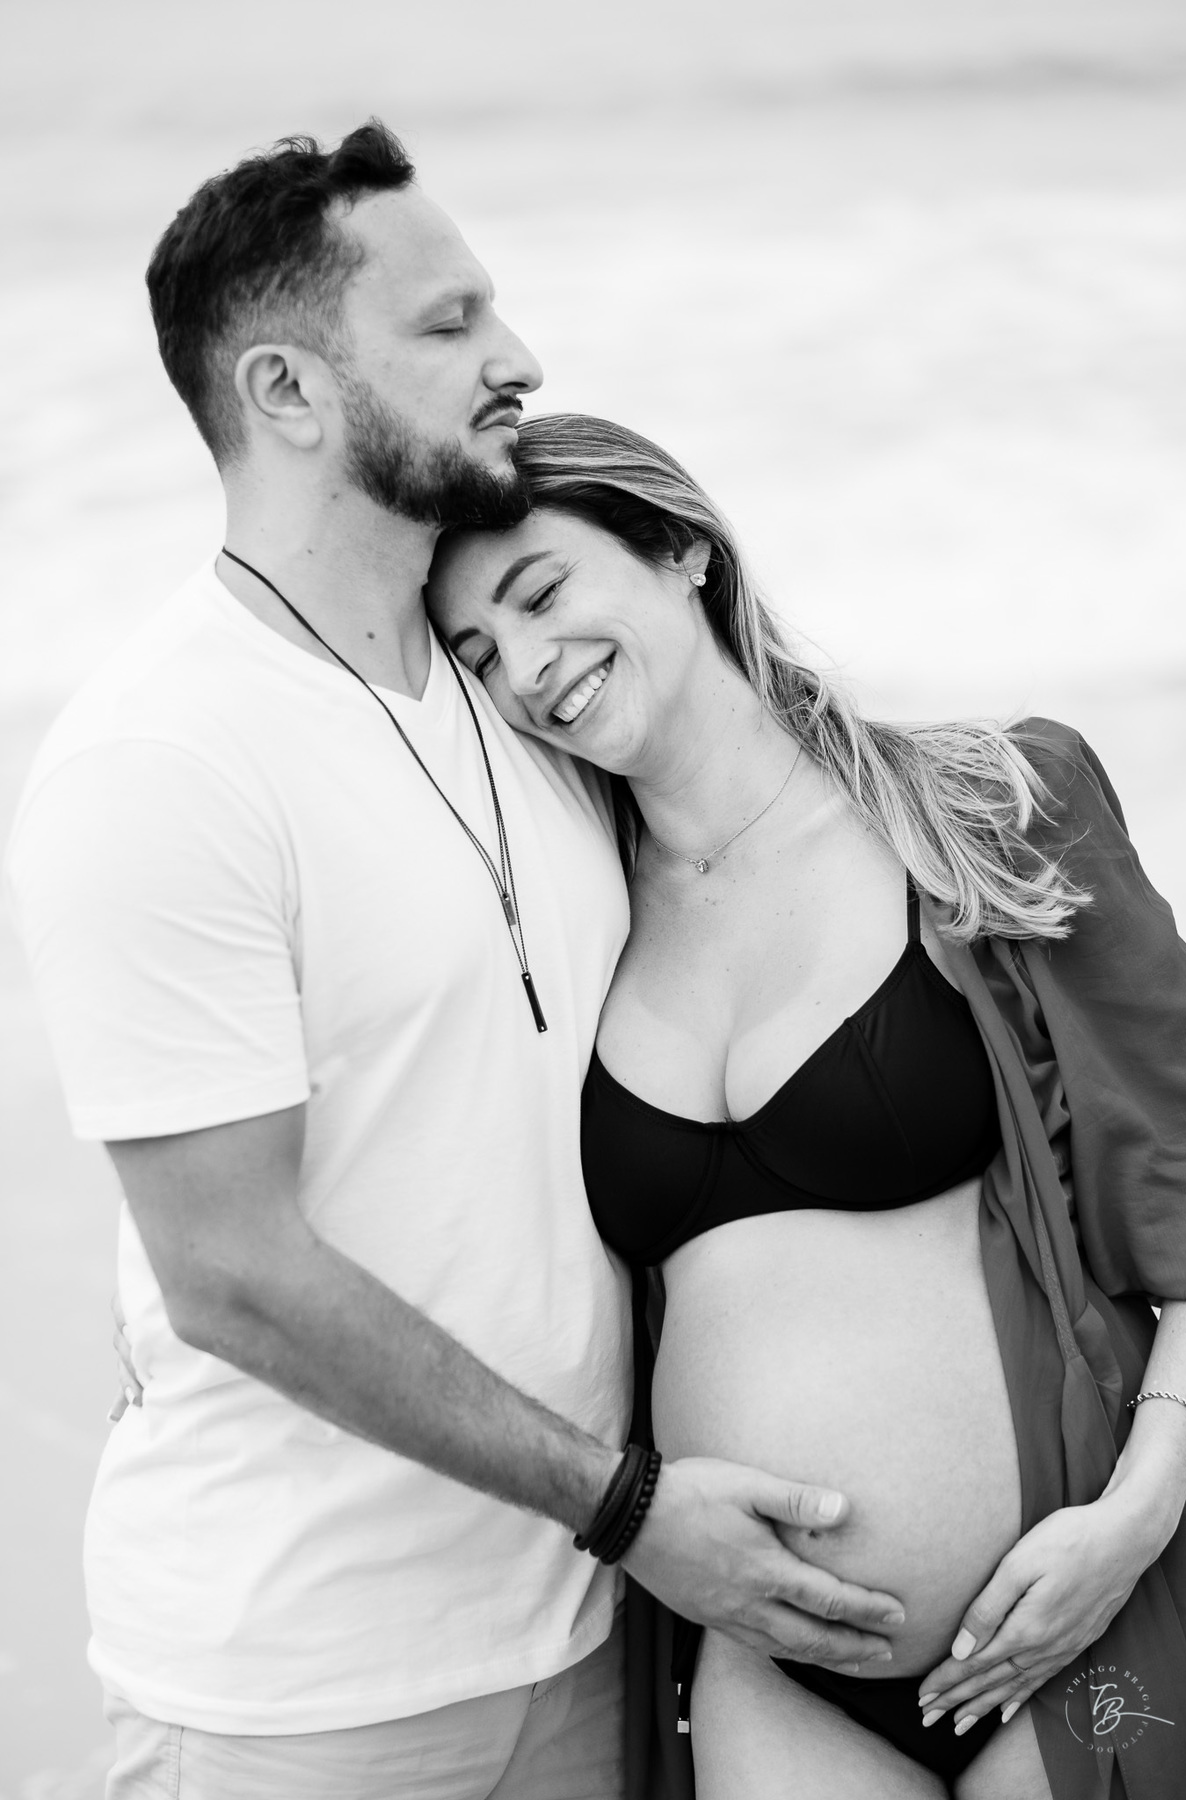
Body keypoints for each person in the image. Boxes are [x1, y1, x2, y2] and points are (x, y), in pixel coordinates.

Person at [4, 128, 905, 1799]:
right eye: (449, 324)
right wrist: (631, 1507)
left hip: (578, 1639)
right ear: (287, 389)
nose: (521, 361)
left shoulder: (519, 688)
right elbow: (232, 1274)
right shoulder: (164, 760)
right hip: (300, 1697)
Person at [425, 411, 1186, 1800]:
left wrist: (1136, 1520)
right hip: (767, 1683)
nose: (528, 671)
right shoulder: (566, 920)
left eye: (541, 594)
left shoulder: (991, 804)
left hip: (1059, 1625)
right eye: (476, 655)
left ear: (678, 551)